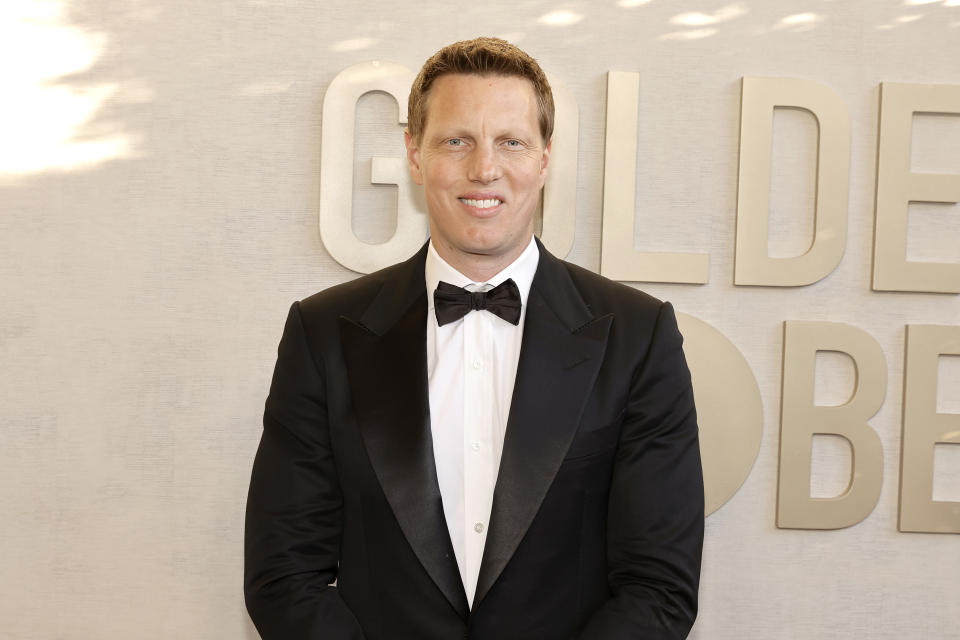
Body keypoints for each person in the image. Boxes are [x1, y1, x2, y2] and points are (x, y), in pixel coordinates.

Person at [244, 37, 704, 639]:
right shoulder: (322, 332)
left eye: (511, 141)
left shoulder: (639, 336)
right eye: (456, 140)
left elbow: (659, 587)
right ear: (415, 154)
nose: (484, 167)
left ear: (544, 158)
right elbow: (284, 574)